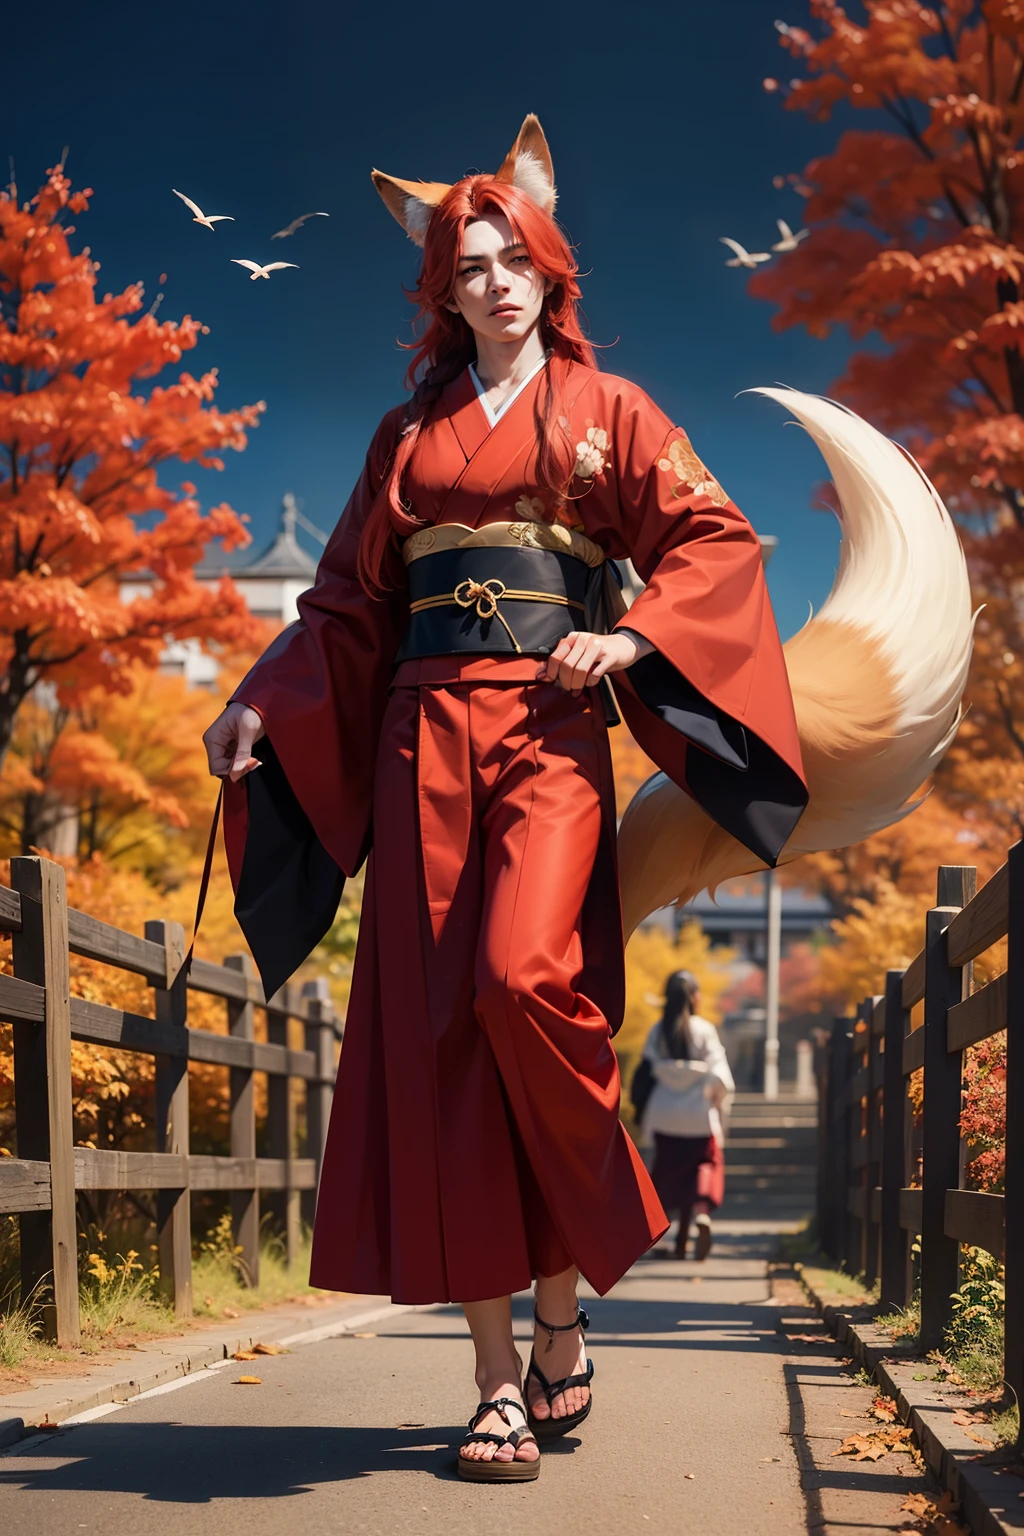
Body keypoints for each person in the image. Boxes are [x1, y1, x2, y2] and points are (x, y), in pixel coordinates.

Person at [201, 114, 814, 1483]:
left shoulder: (613, 413)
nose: (492, 280)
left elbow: (712, 537)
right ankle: (503, 1376)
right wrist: (261, 704)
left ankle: (574, 1278)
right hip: (422, 735)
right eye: (467, 264)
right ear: (444, 288)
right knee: (442, 1041)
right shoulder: (404, 438)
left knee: (521, 980)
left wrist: (638, 636)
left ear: (549, 269)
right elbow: (346, 609)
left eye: (512, 256)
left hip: (547, 729)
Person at [639, 970, 734, 1261]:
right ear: (694, 996)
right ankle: (702, 1215)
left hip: (665, 1114)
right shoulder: (703, 1029)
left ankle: (673, 1241)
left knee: (669, 1175)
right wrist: (715, 1102)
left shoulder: (658, 1031)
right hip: (698, 1114)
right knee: (705, 1167)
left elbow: (645, 1072)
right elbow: (720, 1075)